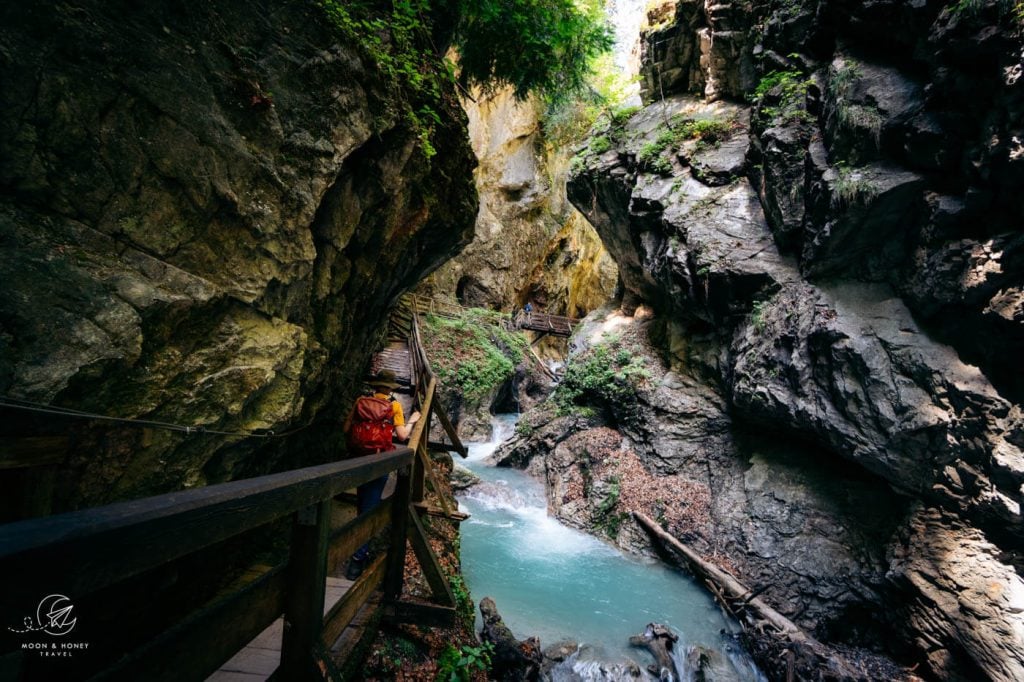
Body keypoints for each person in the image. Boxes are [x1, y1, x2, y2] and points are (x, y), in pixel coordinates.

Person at [344, 369, 420, 579]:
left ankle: (357, 546)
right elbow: (403, 436)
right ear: (391, 388)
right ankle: (358, 559)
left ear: (375, 385)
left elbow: (346, 428)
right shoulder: (394, 405)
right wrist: (413, 420)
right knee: (369, 508)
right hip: (378, 462)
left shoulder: (361, 401)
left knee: (363, 502)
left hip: (358, 459)